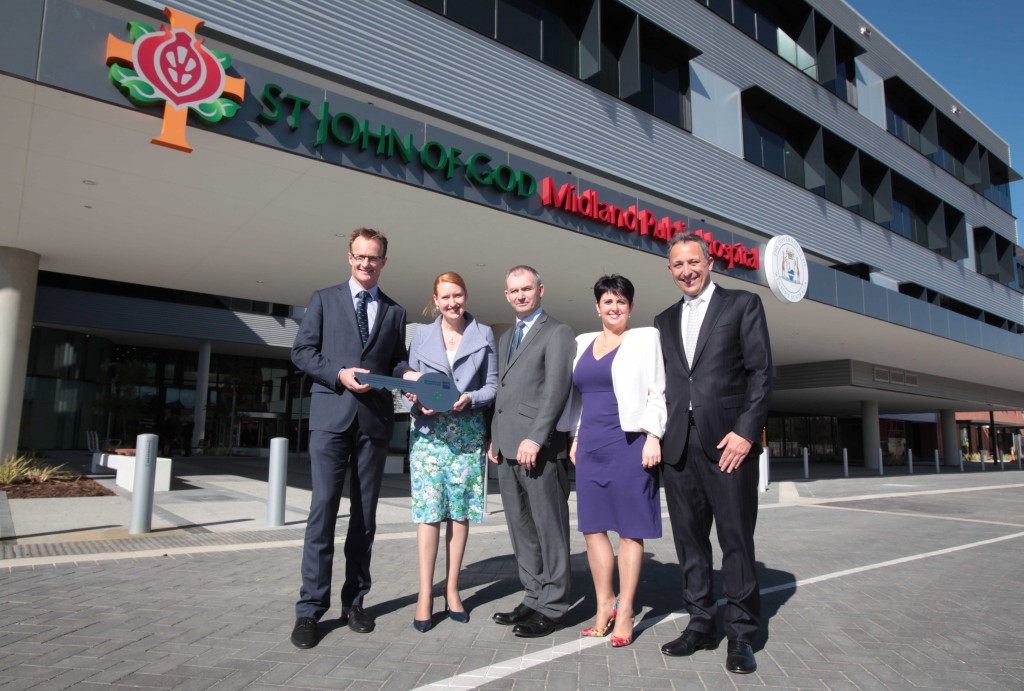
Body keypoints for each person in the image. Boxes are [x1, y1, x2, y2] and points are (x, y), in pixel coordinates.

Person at [654, 233, 772, 674]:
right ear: (670, 270)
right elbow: (662, 383)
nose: (686, 270)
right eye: (678, 265)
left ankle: (741, 634)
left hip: (729, 446)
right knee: (689, 542)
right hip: (679, 446)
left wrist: (746, 432)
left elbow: (760, 373)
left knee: (736, 540)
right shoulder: (662, 320)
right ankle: (700, 622)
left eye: (693, 262)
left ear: (710, 262)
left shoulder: (742, 305)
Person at [289, 227, 411, 649]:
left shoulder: (395, 311)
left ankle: (355, 601)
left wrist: (409, 376)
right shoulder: (324, 299)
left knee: (364, 519)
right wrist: (337, 374)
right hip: (330, 419)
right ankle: (310, 610)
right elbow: (302, 352)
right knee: (322, 514)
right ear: (349, 257)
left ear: (383, 262)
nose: (365, 263)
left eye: (373, 257)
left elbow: (395, 361)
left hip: (373, 423)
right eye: (359, 256)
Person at [564, 275, 666, 648]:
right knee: (592, 528)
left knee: (629, 529)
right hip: (591, 444)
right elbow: (577, 398)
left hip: (629, 443)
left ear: (631, 306)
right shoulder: (582, 343)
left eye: (621, 302)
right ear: (597, 306)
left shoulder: (644, 339)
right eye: (608, 302)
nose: (614, 308)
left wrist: (653, 436)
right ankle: (604, 604)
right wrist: (575, 436)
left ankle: (626, 612)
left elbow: (658, 390)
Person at [401, 272, 498, 632]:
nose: (452, 302)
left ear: (466, 296)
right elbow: (409, 384)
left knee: (459, 513)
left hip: (467, 432)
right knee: (429, 513)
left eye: (457, 295)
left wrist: (470, 397)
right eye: (445, 297)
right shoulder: (422, 335)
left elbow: (492, 385)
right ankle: (426, 594)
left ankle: (453, 589)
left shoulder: (483, 333)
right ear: (435, 300)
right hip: (428, 435)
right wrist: (416, 400)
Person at [486, 265, 575, 638]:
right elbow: (505, 394)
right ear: (507, 296)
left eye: (527, 289)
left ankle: (553, 606)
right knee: (520, 528)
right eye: (514, 291)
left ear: (541, 289)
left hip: (537, 448)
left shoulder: (558, 332)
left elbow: (556, 390)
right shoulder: (506, 337)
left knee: (548, 527)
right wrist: (493, 436)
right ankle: (533, 595)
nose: (520, 295)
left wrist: (536, 437)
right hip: (506, 447)